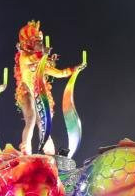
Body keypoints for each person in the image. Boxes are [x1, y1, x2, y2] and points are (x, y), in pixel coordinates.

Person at [14, 21, 85, 154]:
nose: (40, 44)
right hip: (26, 91)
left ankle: (50, 154)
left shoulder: (43, 63)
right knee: (31, 118)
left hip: (38, 93)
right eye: (37, 42)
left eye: (41, 42)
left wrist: (75, 69)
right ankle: (25, 153)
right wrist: (42, 54)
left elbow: (60, 73)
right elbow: (31, 59)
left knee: (44, 123)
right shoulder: (25, 57)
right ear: (30, 43)